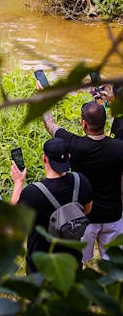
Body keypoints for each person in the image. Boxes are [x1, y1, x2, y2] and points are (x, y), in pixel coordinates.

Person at [41, 95, 123, 262]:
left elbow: (50, 124)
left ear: (83, 123)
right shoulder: (119, 147)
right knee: (116, 266)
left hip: (85, 218)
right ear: (105, 122)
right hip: (114, 215)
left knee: (78, 263)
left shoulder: (74, 145)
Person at [11, 138, 93, 273]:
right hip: (72, 261)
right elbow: (87, 210)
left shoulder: (33, 193)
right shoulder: (81, 181)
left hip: (41, 267)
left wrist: (18, 182)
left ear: (44, 158)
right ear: (68, 157)